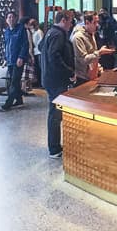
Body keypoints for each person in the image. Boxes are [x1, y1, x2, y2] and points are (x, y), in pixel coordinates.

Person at [40, 12, 77, 158]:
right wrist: (69, 72)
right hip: (56, 80)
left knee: (55, 113)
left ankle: (55, 146)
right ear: (63, 20)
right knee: (55, 115)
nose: (71, 24)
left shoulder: (50, 32)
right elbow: (54, 56)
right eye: (70, 21)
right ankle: (54, 148)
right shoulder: (58, 34)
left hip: (50, 78)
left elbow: (41, 46)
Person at [71, 12, 113, 84]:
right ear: (87, 22)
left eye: (97, 22)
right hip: (82, 78)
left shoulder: (91, 34)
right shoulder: (78, 37)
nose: (97, 25)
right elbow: (83, 59)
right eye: (94, 22)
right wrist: (100, 52)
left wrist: (99, 68)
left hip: (93, 75)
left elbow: (93, 54)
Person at [2, 12, 29, 108]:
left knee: (14, 82)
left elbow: (25, 44)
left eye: (13, 17)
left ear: (16, 19)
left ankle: (8, 103)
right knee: (14, 81)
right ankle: (19, 99)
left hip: (18, 60)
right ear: (6, 20)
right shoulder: (7, 31)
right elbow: (6, 46)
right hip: (9, 60)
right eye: (9, 17)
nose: (11, 19)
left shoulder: (21, 29)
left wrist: (21, 57)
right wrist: (5, 58)